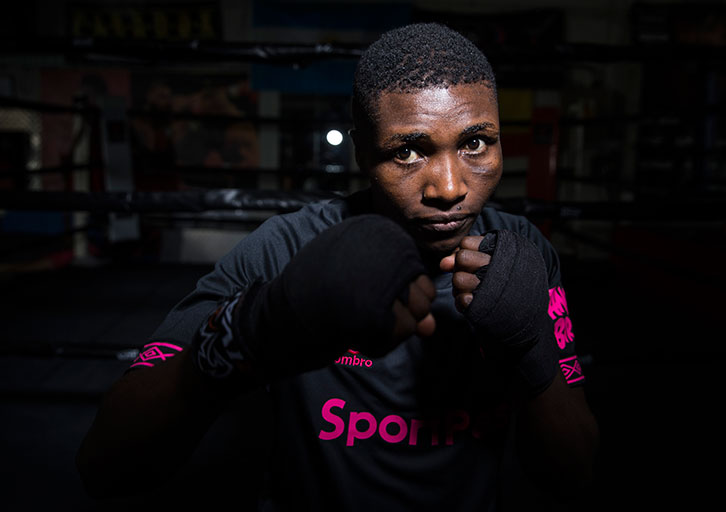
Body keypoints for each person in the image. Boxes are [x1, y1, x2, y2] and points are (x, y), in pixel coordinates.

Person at [77, 23, 599, 511]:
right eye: (410, 152)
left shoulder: (520, 255)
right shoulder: (285, 249)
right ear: (361, 153)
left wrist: (532, 353)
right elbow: (107, 463)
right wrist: (256, 328)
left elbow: (572, 473)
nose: (449, 188)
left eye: (475, 143)